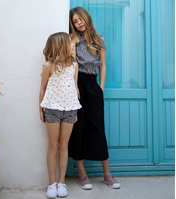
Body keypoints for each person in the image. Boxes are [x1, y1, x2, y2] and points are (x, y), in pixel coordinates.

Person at [68, 7, 121, 190]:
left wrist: (101, 88)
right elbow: (72, 63)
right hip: (76, 84)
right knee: (78, 128)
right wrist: (74, 87)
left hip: (93, 85)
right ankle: (82, 174)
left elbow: (103, 66)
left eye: (80, 19)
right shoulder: (73, 39)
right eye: (75, 21)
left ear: (86, 18)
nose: (79, 23)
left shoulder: (99, 40)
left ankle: (107, 174)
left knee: (98, 128)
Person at [39, 32, 81, 198]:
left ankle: (62, 181)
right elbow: (42, 88)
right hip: (52, 109)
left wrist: (75, 108)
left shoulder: (74, 65)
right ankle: (51, 183)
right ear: (60, 46)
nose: (72, 46)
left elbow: (75, 87)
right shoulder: (49, 66)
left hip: (70, 109)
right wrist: (40, 109)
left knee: (64, 146)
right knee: (53, 145)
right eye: (69, 43)